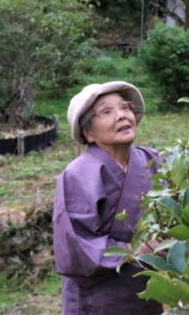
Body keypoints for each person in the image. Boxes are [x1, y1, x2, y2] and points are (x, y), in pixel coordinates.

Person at [52, 81, 163, 315]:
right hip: (99, 298)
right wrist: (134, 250)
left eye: (125, 107)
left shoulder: (152, 159)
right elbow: (77, 245)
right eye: (106, 112)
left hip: (146, 289)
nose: (121, 116)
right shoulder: (78, 174)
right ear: (88, 132)